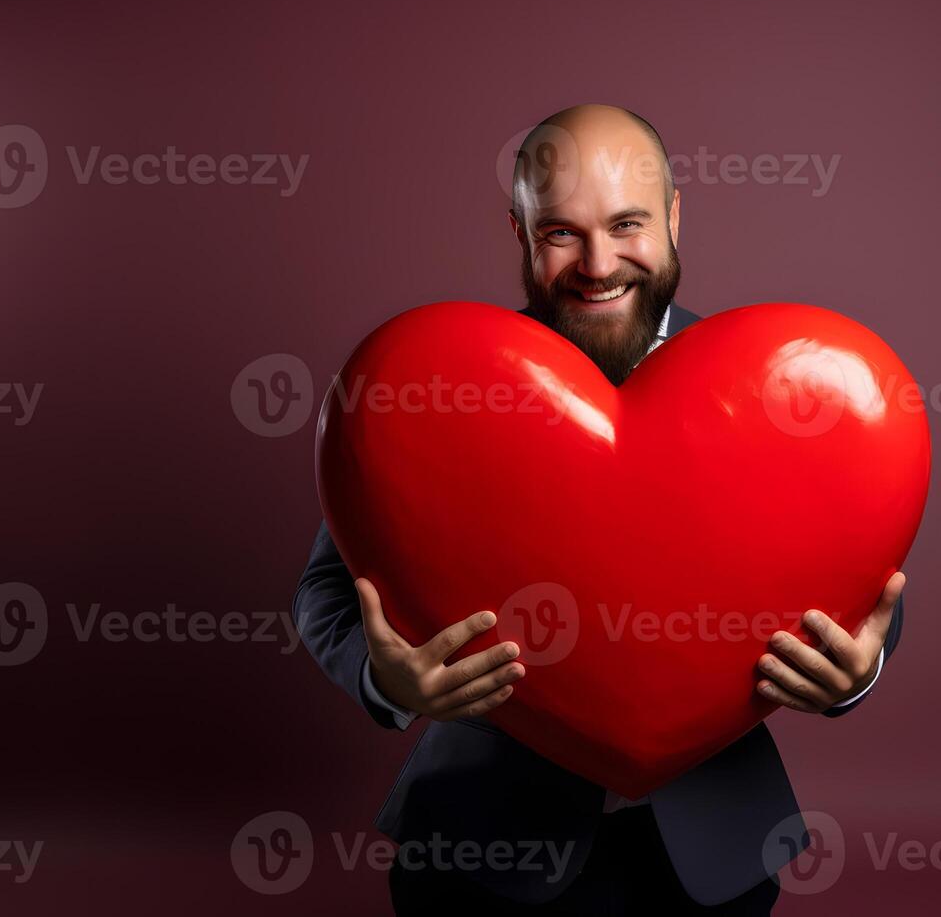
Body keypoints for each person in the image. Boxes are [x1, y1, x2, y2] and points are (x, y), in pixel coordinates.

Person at [294, 104, 907, 914]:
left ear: (675, 217)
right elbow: (328, 591)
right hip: (479, 853)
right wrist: (389, 679)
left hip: (714, 852)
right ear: (517, 230)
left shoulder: (783, 392)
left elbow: (861, 577)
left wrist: (854, 678)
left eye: (626, 224)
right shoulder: (435, 388)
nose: (598, 262)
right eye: (560, 233)